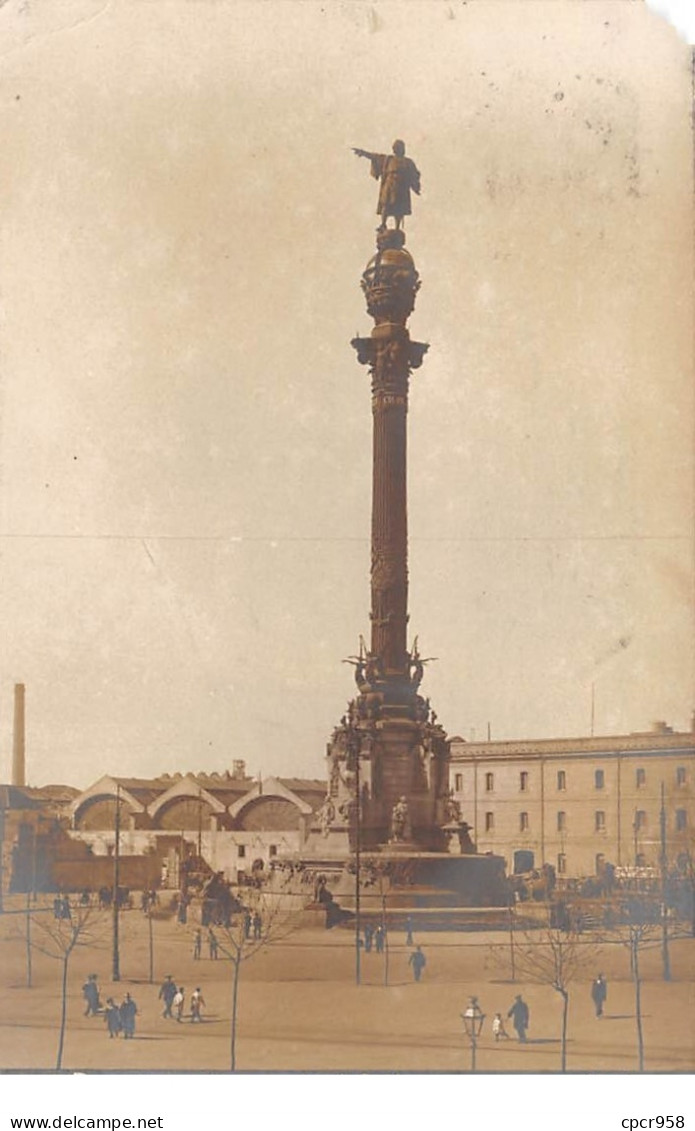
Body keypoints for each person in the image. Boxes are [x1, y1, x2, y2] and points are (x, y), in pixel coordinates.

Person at [353, 140, 421, 231]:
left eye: (398, 147)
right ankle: (383, 224)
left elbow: (414, 174)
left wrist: (415, 185)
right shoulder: (388, 159)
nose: (396, 149)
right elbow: (374, 157)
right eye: (395, 147)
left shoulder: (408, 162)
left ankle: (397, 227)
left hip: (402, 186)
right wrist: (363, 153)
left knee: (399, 208)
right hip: (390, 184)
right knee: (385, 204)